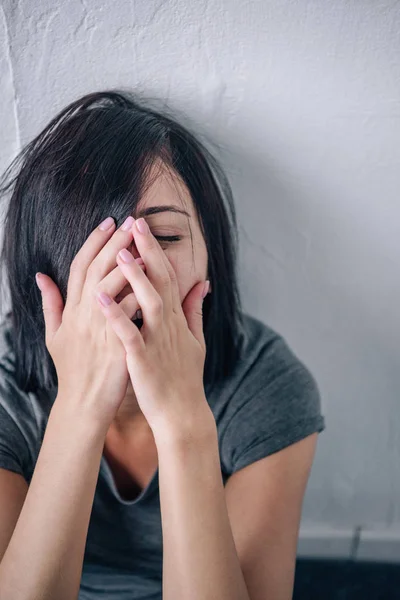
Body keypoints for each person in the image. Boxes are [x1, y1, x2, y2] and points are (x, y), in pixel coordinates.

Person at [0, 90, 325, 599]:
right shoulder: (5, 391)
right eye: (93, 245)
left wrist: (182, 420)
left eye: (165, 238)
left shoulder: (267, 386)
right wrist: (81, 405)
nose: (130, 271)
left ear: (210, 254)